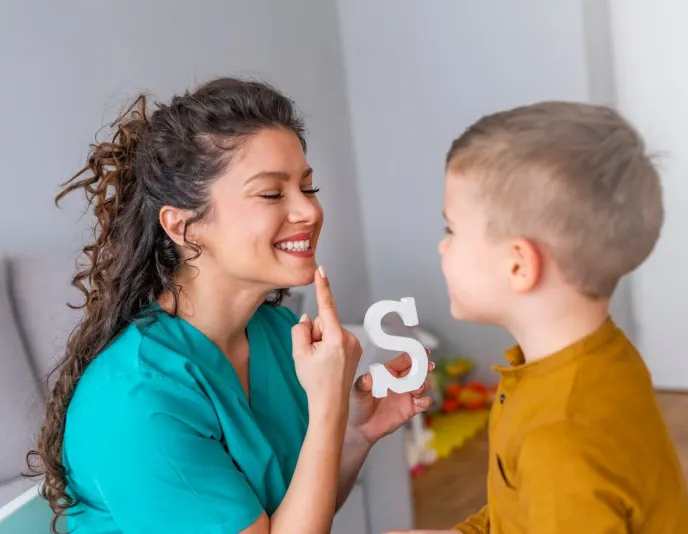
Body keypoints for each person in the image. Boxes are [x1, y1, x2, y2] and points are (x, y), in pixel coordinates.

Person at [26, 77, 432, 534]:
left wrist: (354, 433)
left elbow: (294, 517)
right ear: (184, 226)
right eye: (272, 193)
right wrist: (327, 409)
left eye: (308, 187)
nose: (309, 211)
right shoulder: (139, 399)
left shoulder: (277, 333)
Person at [388, 102, 688, 533]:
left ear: (519, 266)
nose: (442, 247)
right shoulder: (595, 359)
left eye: (450, 231)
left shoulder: (562, 436)